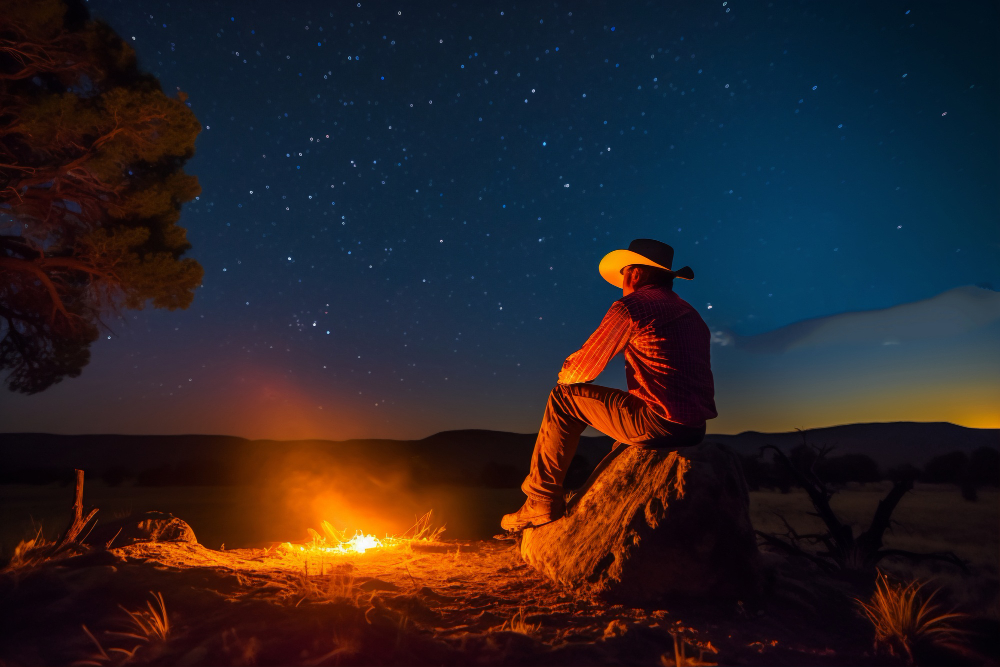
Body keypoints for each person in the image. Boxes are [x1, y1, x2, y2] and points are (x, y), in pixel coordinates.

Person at [500, 238, 717, 532]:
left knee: (563, 398)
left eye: (624, 274)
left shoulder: (633, 306)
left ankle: (540, 499)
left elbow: (581, 370)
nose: (622, 282)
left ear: (635, 274)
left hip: (659, 423)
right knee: (619, 408)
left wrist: (564, 370)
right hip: (695, 429)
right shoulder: (691, 313)